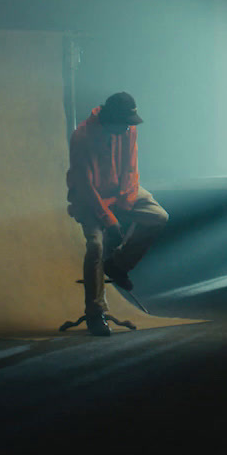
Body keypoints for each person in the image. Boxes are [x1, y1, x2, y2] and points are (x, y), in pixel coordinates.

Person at [66, 91, 169, 336]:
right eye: (124, 123)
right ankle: (95, 312)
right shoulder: (82, 137)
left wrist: (124, 203)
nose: (128, 129)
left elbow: (131, 170)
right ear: (109, 119)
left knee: (158, 217)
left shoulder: (128, 129)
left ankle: (118, 265)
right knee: (95, 247)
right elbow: (86, 188)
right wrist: (109, 221)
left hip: (121, 192)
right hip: (91, 200)